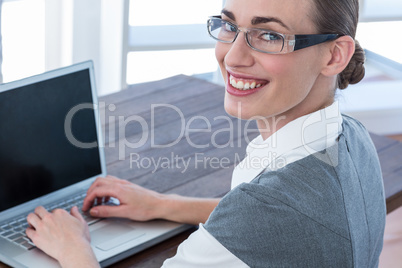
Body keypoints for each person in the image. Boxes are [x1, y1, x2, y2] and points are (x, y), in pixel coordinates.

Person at [26, 0, 386, 267]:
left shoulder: (265, 212)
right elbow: (278, 222)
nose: (232, 58)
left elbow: (267, 218)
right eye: (229, 26)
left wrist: (75, 250)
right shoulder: (353, 139)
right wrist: (162, 205)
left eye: (270, 35)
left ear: (334, 56)